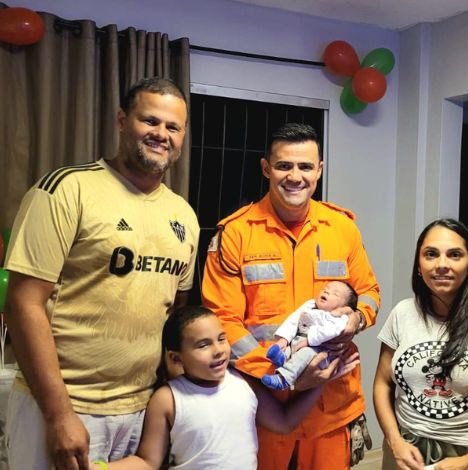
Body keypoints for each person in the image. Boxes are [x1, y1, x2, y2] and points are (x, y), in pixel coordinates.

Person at [3, 77, 200, 469]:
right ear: (122, 121)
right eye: (150, 121)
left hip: (139, 409)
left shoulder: (185, 216)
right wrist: (60, 415)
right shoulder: (67, 189)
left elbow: (173, 313)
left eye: (172, 127)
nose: (161, 134)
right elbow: (23, 303)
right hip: (63, 406)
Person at [201, 122, 381, 469]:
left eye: (305, 166)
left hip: (331, 403)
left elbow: (369, 293)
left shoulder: (342, 227)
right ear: (266, 168)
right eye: (284, 165)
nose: (294, 176)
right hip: (265, 403)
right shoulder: (236, 233)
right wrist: (286, 371)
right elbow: (222, 321)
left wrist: (356, 319)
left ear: (319, 170)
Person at [93, 306, 358, 470]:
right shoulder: (168, 398)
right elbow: (147, 461)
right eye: (203, 345)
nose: (218, 350)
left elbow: (285, 422)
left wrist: (320, 382)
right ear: (176, 358)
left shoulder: (243, 382)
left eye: (221, 339)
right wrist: (100, 468)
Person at [374, 218, 468, 470]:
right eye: (431, 254)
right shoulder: (402, 313)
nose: (441, 265)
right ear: (419, 266)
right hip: (405, 450)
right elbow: (382, 382)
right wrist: (394, 441)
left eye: (455, 255)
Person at [263, 280, 359, 391]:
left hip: (320, 350)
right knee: (290, 348)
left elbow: (329, 331)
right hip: (300, 341)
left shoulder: (339, 318)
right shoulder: (310, 305)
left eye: (335, 293)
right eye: (325, 289)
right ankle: (282, 357)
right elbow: (293, 319)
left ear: (344, 307)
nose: (327, 292)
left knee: (305, 353)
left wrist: (308, 341)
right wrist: (283, 340)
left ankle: (283, 379)